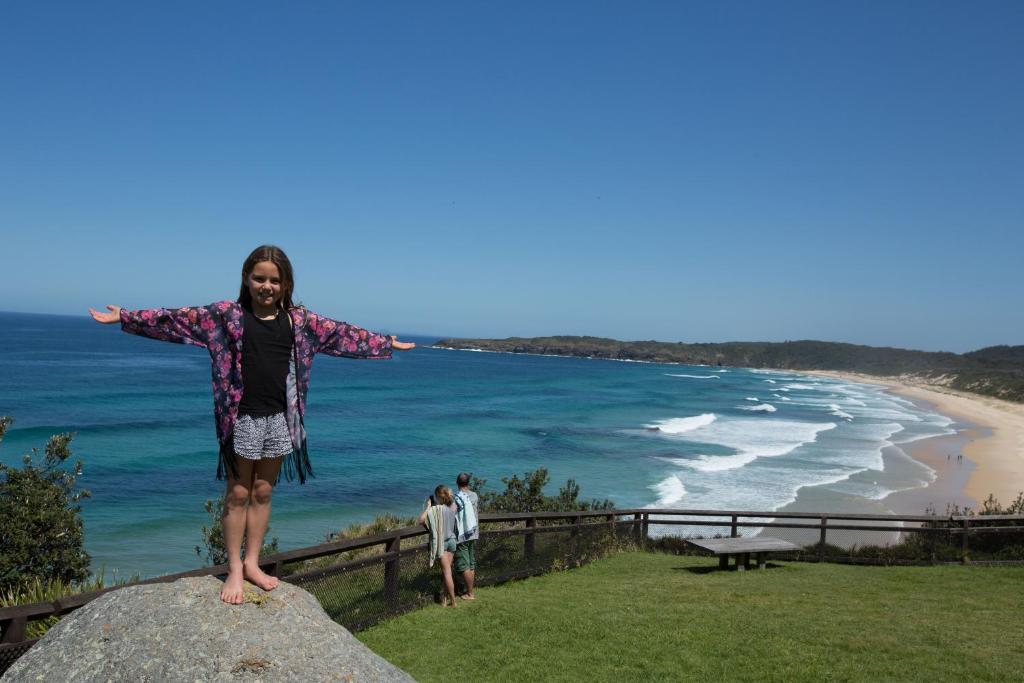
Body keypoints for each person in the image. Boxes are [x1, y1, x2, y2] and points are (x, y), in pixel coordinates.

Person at [88, 245, 415, 604]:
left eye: (275, 280)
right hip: (240, 416)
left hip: (281, 417)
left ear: (287, 283)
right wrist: (127, 317)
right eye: (259, 278)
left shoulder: (301, 322)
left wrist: (386, 343)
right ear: (247, 278)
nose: (266, 286)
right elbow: (176, 318)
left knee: (262, 491)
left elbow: (343, 334)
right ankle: (233, 568)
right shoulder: (226, 316)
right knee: (238, 492)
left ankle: (253, 563)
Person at [419, 485, 458, 607]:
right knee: (447, 572)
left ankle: (454, 601)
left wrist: (428, 507)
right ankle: (445, 599)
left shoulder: (435, 511)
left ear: (438, 497)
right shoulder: (452, 508)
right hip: (452, 541)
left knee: (447, 572)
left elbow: (421, 520)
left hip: (443, 543)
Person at [453, 471, 479, 600]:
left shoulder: (455, 498)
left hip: (462, 534)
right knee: (471, 564)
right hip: (473, 533)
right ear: (468, 483)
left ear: (457, 483)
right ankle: (470, 591)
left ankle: (470, 593)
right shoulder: (474, 496)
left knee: (465, 565)